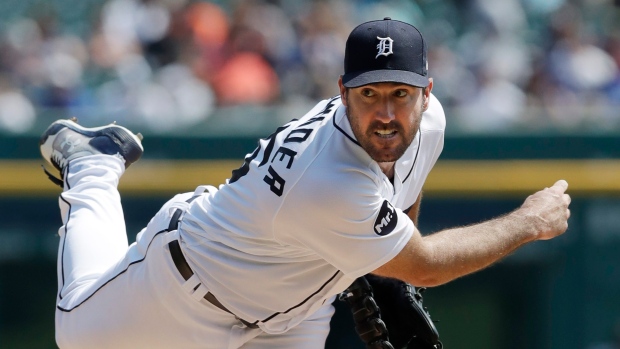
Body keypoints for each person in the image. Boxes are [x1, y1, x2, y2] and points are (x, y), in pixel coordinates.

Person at [40, 18, 571, 349]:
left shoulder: (429, 125)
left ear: (427, 93)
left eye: (400, 94)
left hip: (293, 315)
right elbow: (426, 265)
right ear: (342, 92)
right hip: (184, 291)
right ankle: (93, 165)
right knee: (75, 334)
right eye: (369, 96)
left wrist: (384, 272)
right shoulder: (328, 176)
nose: (386, 113)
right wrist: (528, 222)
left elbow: (400, 206)